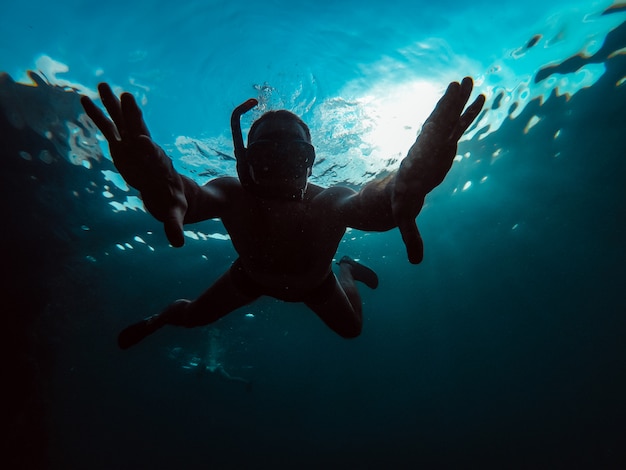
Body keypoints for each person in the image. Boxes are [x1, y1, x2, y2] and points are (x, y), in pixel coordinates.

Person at [81, 77, 485, 349]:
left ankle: (345, 269)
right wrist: (162, 185)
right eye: (267, 153)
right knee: (188, 317)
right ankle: (158, 319)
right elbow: (192, 198)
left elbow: (367, 205)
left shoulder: (327, 201)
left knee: (353, 330)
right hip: (249, 277)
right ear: (245, 160)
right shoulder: (232, 192)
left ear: (310, 163)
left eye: (294, 155)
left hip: (317, 283)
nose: (280, 166)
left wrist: (401, 188)